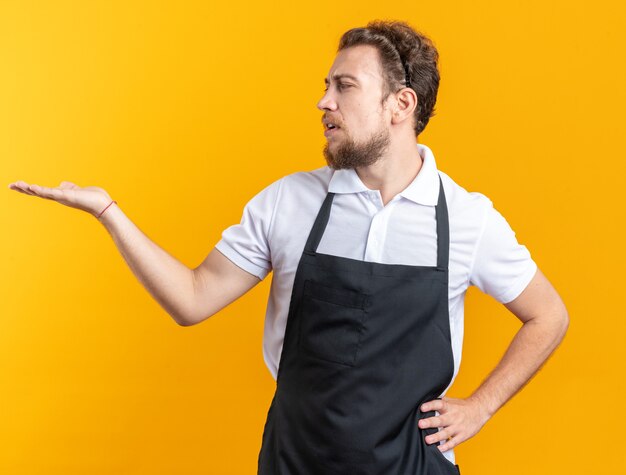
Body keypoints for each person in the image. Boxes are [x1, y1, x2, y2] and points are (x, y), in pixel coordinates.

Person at [8, 19, 568, 475]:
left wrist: (482, 405)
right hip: (294, 464)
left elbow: (548, 315)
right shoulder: (289, 203)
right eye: (326, 85)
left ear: (401, 104)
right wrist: (109, 213)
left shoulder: (467, 220)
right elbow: (192, 299)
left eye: (343, 86)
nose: (322, 102)